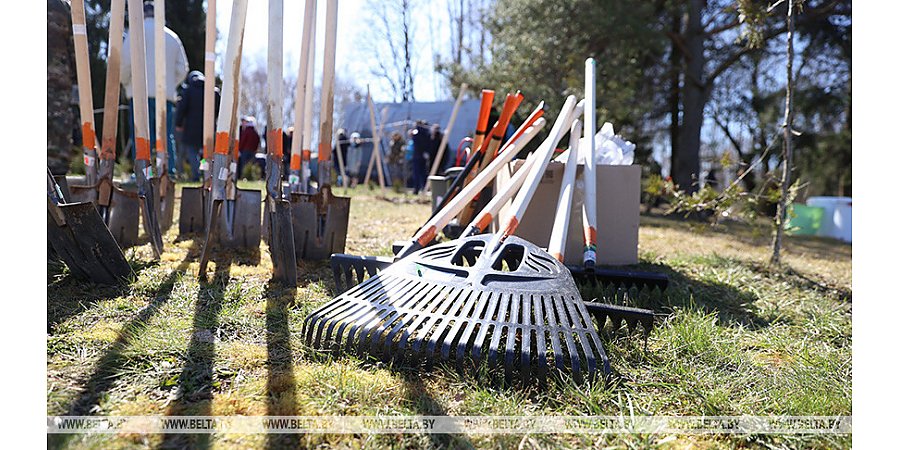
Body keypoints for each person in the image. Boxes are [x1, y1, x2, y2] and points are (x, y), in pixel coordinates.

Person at [121, 1, 189, 177]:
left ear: (143, 14)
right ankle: (169, 171)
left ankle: (142, 172)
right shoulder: (171, 37)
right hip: (164, 96)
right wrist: (169, 84)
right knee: (165, 136)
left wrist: (128, 83)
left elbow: (124, 66)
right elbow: (183, 68)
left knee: (140, 136)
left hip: (139, 94)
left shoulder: (134, 34)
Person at [47, 0, 77, 176]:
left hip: (58, 78)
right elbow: (75, 46)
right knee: (59, 123)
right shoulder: (63, 7)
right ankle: (58, 173)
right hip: (59, 77)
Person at [174, 71, 220, 181]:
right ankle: (205, 173)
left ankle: (196, 174)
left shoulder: (188, 91)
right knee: (204, 153)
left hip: (191, 127)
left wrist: (178, 123)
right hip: (208, 127)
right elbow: (218, 108)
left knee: (192, 152)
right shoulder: (212, 91)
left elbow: (182, 108)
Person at [410, 120, 432, 194]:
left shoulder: (417, 132)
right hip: (424, 155)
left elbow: (415, 139)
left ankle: (416, 189)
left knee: (417, 173)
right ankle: (424, 188)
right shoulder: (427, 133)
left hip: (417, 155)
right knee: (423, 173)